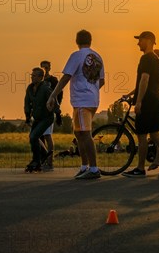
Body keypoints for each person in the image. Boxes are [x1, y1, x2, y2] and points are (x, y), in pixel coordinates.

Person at [47, 29, 104, 179]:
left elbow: (66, 77)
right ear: (90, 40)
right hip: (92, 100)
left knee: (85, 134)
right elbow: (102, 80)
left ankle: (93, 168)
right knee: (78, 133)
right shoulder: (98, 57)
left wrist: (53, 95)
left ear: (76, 41)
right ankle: (84, 166)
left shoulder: (76, 55)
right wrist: (92, 90)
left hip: (81, 100)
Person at [122, 31, 159, 178]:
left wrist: (138, 101)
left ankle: (140, 168)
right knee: (156, 135)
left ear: (149, 41)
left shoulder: (146, 58)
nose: (138, 43)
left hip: (148, 101)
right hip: (156, 100)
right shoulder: (157, 60)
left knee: (142, 135)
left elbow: (144, 80)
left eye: (140, 40)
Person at [24, 67, 56, 172]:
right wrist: (27, 116)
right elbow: (27, 102)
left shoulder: (46, 88)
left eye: (34, 75)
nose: (32, 77)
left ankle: (36, 161)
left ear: (40, 77)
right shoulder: (30, 88)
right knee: (32, 137)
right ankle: (44, 154)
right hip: (37, 118)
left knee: (34, 136)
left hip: (47, 118)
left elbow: (53, 100)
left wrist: (58, 113)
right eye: (31, 75)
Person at [39, 60, 62, 171]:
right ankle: (42, 159)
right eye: (43, 67)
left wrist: (57, 112)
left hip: (48, 111)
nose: (45, 69)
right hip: (39, 112)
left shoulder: (53, 80)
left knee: (47, 136)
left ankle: (50, 161)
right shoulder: (38, 81)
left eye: (46, 68)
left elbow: (59, 95)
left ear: (49, 68)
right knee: (39, 136)